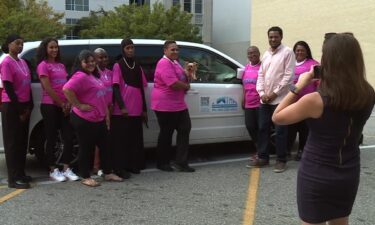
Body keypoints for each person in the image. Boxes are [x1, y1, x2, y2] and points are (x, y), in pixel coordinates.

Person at [272, 33, 375, 225]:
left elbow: (277, 116)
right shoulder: (368, 94)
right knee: (341, 220)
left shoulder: (315, 101)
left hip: (317, 174)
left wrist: (300, 84)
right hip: (349, 172)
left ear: (329, 61)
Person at [63, 50, 123, 187]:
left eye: (92, 61)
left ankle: (107, 172)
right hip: (85, 119)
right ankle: (85, 176)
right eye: (87, 61)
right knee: (86, 148)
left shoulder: (93, 75)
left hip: (98, 118)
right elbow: (66, 89)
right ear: (80, 63)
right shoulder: (80, 76)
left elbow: (101, 98)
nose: (90, 63)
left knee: (105, 146)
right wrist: (79, 105)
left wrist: (106, 115)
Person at [250, 26, 295, 173]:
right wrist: (262, 93)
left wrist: (275, 93)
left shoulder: (287, 52)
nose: (273, 39)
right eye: (270, 37)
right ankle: (263, 157)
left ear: (281, 37)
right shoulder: (266, 54)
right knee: (263, 129)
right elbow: (261, 75)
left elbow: (288, 76)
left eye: (276, 37)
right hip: (265, 100)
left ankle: (281, 160)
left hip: (280, 99)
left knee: (280, 130)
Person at [36, 38, 79, 182]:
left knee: (68, 136)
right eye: (51, 47)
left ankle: (66, 168)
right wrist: (61, 103)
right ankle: (53, 169)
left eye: (56, 47)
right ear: (45, 49)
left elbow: (66, 86)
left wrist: (68, 103)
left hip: (64, 105)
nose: (54, 50)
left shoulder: (60, 65)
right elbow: (47, 87)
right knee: (52, 137)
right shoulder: (43, 65)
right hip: (50, 105)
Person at [151, 40, 195, 172]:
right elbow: (173, 83)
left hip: (179, 104)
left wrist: (188, 73)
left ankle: (181, 162)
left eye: (177, 49)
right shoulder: (163, 63)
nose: (175, 52)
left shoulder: (175, 63)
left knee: (185, 129)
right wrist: (187, 86)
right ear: (165, 51)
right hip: (165, 104)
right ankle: (162, 162)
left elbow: (183, 78)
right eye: (172, 49)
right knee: (166, 134)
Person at [0, 34, 33, 189]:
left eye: (22, 43)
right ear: (8, 44)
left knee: (21, 142)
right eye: (17, 43)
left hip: (24, 106)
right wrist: (19, 109)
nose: (20, 46)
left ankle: (20, 173)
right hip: (12, 106)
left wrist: (29, 105)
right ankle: (13, 179)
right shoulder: (6, 62)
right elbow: (8, 86)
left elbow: (27, 85)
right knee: (12, 143)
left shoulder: (23, 62)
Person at [111, 39, 147, 175]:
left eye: (132, 47)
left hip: (136, 109)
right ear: (123, 49)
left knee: (135, 139)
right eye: (128, 48)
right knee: (121, 141)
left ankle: (134, 165)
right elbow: (115, 87)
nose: (131, 50)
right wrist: (122, 107)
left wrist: (144, 109)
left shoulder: (137, 65)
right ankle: (121, 168)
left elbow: (141, 88)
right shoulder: (118, 65)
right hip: (122, 111)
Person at [287, 41, 319, 161]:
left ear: (307, 52)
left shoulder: (313, 64)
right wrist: (291, 89)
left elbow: (318, 83)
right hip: (292, 101)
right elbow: (287, 81)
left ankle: (302, 150)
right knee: (291, 126)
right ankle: (287, 150)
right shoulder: (290, 64)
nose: (299, 52)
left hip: (307, 101)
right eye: (297, 50)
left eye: (302, 50)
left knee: (304, 128)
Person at [92, 48, 113, 175]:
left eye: (105, 57)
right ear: (94, 59)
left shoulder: (109, 72)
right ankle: (96, 166)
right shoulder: (93, 73)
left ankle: (105, 165)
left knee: (106, 139)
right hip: (99, 110)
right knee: (98, 140)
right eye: (100, 57)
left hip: (110, 109)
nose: (104, 59)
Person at [242, 46, 261, 167]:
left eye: (254, 52)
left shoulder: (263, 67)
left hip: (259, 103)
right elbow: (244, 85)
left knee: (261, 129)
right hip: (248, 103)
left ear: (259, 54)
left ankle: (261, 152)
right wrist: (243, 98)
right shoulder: (247, 67)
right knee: (250, 126)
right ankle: (259, 148)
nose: (252, 55)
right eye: (249, 53)